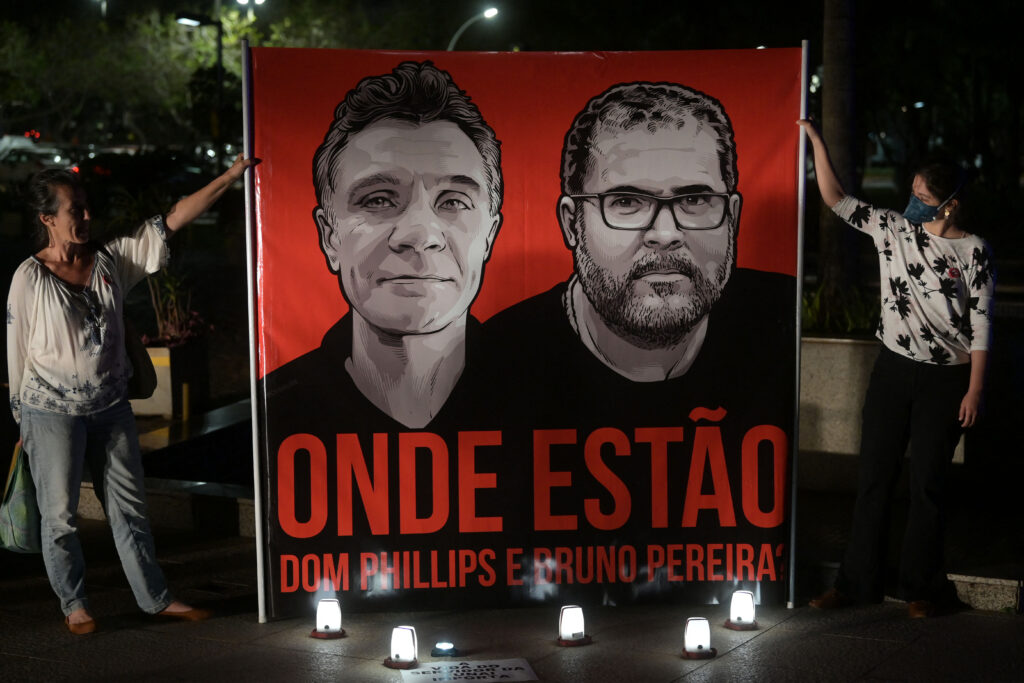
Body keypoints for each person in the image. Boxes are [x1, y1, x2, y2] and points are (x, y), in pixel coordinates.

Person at [6, 154, 254, 635]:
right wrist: (22, 421)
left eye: (84, 207)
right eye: (73, 209)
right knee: (60, 516)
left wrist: (229, 176)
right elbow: (16, 353)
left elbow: (173, 219)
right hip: (49, 412)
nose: (84, 216)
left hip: (110, 408)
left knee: (130, 509)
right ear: (47, 219)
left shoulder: (110, 260)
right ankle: (74, 604)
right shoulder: (29, 278)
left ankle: (155, 598)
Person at [482, 81, 795, 426]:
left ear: (731, 218)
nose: (665, 235)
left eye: (693, 200)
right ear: (572, 225)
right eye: (627, 202)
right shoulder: (497, 362)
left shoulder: (781, 322)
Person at [800, 120, 995, 618]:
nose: (912, 202)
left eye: (922, 196)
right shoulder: (893, 229)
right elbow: (836, 198)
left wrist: (974, 390)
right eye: (911, 192)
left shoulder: (974, 252)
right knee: (874, 477)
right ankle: (855, 583)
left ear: (949, 204)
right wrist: (817, 140)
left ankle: (921, 589)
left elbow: (981, 323)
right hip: (892, 369)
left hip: (945, 380)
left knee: (927, 484)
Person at [262, 60, 503, 430]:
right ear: (330, 237)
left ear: (490, 234)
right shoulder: (275, 411)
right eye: (378, 199)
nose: (421, 234)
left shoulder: (552, 400)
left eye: (453, 201)